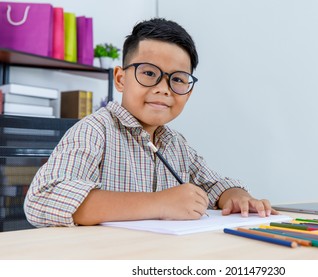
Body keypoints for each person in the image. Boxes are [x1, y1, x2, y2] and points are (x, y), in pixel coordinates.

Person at [24, 18, 277, 227]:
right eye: (148, 73)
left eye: (177, 79)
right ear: (121, 79)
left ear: (188, 92)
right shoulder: (94, 131)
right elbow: (43, 198)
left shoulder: (177, 144)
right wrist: (160, 203)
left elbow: (214, 184)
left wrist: (236, 196)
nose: (164, 89)